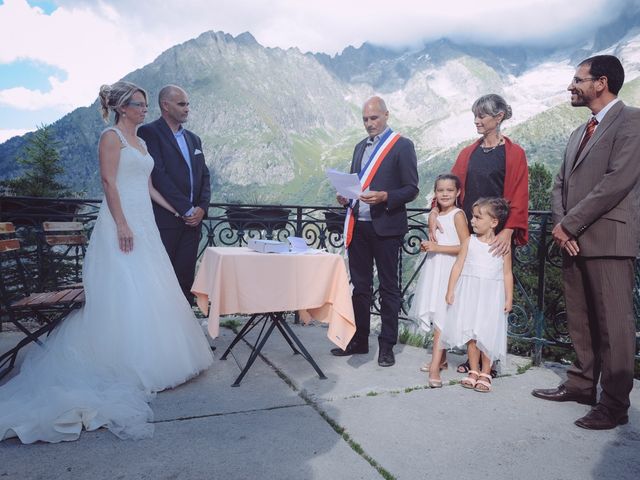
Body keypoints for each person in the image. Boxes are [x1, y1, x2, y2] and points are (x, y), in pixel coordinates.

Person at [0, 81, 213, 444]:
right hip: (122, 223)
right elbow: (109, 183)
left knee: (151, 290)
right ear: (121, 107)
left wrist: (179, 210)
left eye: (145, 104)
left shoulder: (142, 143)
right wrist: (123, 224)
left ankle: (158, 358)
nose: (143, 109)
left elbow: (147, 187)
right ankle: (126, 362)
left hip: (145, 222)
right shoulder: (110, 137)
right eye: (138, 104)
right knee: (125, 291)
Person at [531, 55, 640, 430]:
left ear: (601, 82)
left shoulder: (633, 121)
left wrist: (571, 225)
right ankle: (580, 384)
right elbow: (560, 183)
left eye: (578, 79)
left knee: (614, 325)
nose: (571, 86)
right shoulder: (579, 133)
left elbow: (617, 181)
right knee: (579, 318)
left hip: (608, 238)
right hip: (572, 240)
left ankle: (614, 403)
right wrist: (562, 227)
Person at [430, 94, 528, 375]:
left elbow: (520, 195)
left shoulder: (514, 153)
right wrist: (435, 209)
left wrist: (508, 231)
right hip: (471, 236)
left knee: (493, 299)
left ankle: (491, 361)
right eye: (475, 115)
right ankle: (472, 359)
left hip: (497, 237)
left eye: (482, 115)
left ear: (498, 117)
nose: (477, 120)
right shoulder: (468, 153)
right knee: (470, 298)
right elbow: (451, 187)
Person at [331, 96, 419, 367]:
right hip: (358, 226)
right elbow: (354, 183)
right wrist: (345, 197)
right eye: (365, 119)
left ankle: (387, 345)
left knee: (389, 288)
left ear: (386, 115)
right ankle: (359, 340)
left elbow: (412, 189)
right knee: (360, 287)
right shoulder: (359, 147)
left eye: (374, 118)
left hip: (387, 227)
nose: (369, 124)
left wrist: (385, 197)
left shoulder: (402, 146)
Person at [138, 85, 211, 303]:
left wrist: (201, 209)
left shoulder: (194, 139)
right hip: (165, 220)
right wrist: (186, 209)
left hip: (192, 224)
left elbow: (205, 177)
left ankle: (183, 330)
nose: (187, 108)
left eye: (187, 104)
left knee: (184, 279)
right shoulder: (149, 132)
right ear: (165, 106)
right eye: (181, 104)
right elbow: (158, 174)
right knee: (161, 278)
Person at [440, 197, 513, 393]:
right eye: (473, 216)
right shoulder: (469, 242)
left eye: (478, 217)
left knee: (487, 333)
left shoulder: (502, 247)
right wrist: (450, 290)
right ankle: (473, 370)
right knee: (472, 334)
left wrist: (509, 298)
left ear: (494, 222)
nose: (472, 221)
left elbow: (507, 273)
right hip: (471, 294)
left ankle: (486, 372)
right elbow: (457, 266)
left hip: (491, 297)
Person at [409, 174, 469, 387]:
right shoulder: (436, 214)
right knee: (436, 312)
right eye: (440, 190)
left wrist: (438, 248)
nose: (444, 194)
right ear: (435, 193)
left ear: (458, 193)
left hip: (449, 270)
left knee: (442, 317)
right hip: (435, 267)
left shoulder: (458, 215)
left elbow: (466, 247)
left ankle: (435, 368)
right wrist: (430, 246)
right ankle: (442, 360)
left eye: (449, 190)